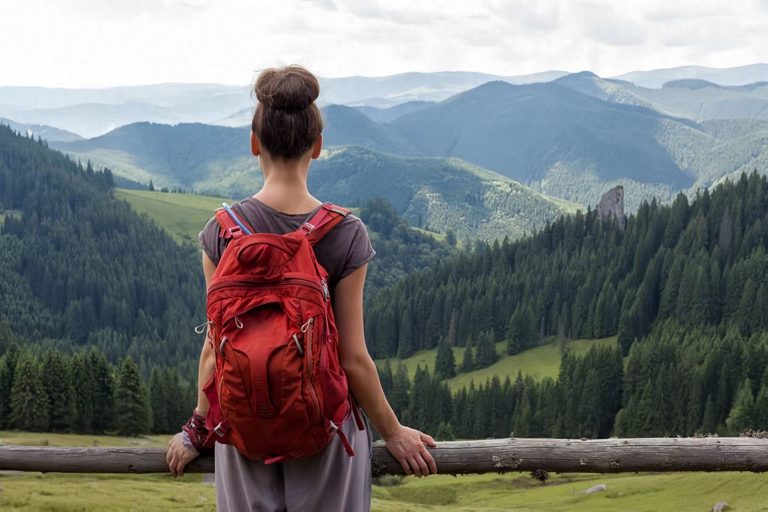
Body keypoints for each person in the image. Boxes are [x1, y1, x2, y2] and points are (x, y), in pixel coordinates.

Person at [166, 65, 437, 511]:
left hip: (242, 432)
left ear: (254, 143)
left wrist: (197, 428)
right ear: (318, 146)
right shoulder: (345, 233)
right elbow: (352, 358)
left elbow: (215, 348)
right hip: (325, 433)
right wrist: (394, 432)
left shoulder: (220, 233)